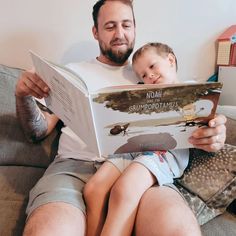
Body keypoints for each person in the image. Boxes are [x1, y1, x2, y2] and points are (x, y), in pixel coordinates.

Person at [15, 1, 226, 236]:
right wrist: (23, 96)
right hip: (74, 167)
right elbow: (37, 131)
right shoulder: (70, 72)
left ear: (135, 27)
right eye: (110, 26)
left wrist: (215, 132)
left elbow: (197, 118)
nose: (120, 33)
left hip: (139, 164)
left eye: (126, 25)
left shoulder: (149, 74)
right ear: (95, 32)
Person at [84, 42, 185, 236]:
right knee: (93, 190)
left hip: (163, 153)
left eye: (152, 66)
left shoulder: (193, 89)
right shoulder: (144, 94)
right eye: (143, 75)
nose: (149, 76)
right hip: (135, 147)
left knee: (125, 189)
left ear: (170, 60)